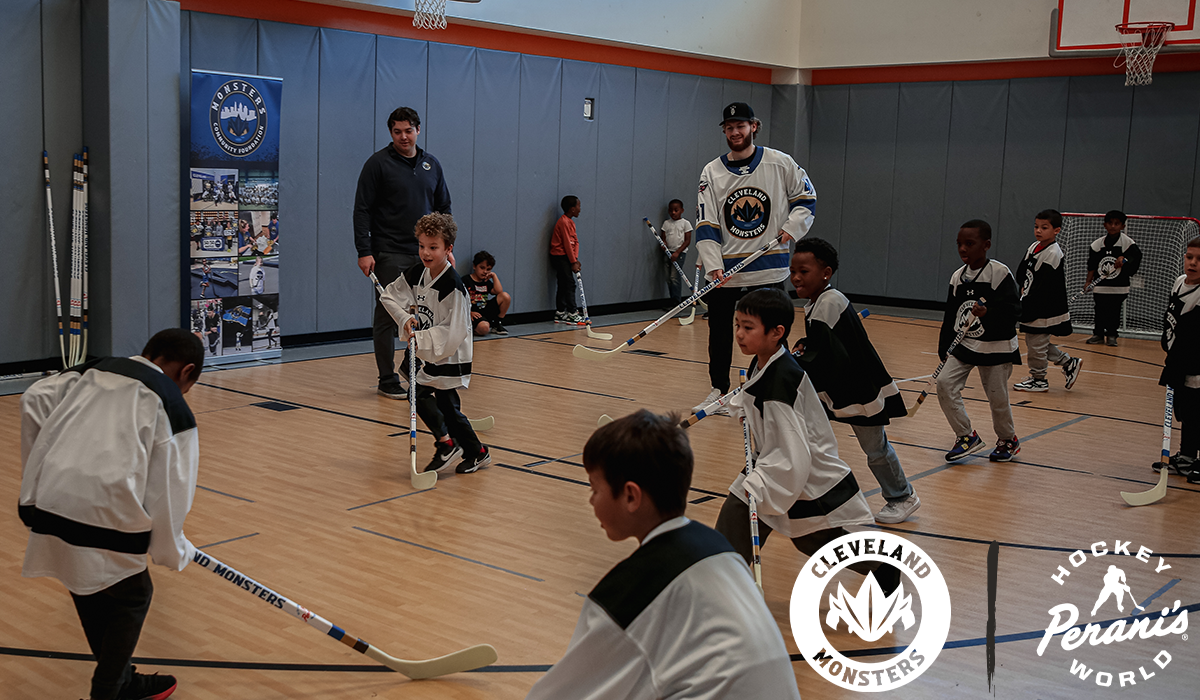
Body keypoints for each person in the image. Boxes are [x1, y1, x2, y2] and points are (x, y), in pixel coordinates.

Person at [526, 409, 801, 700]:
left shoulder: (634, 591)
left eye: (595, 489)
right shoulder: (721, 550)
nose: (591, 500)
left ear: (631, 496)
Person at [19, 328, 204, 700]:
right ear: (186, 372)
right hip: (103, 512)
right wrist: (172, 549)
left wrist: (44, 465)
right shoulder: (170, 402)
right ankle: (109, 692)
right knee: (133, 595)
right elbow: (171, 490)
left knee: (87, 584)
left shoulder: (94, 369)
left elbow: (33, 398)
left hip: (51, 500)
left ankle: (122, 681)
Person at [711, 288, 901, 595]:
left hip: (798, 472)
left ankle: (880, 565)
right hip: (775, 467)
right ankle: (723, 592)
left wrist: (760, 483)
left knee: (806, 536)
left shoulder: (781, 381)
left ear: (777, 332)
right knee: (796, 533)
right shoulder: (765, 363)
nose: (739, 334)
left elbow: (792, 452)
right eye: (737, 325)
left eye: (748, 327)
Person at [693, 102, 817, 416]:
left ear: (754, 126)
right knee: (720, 334)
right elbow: (706, 223)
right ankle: (719, 392)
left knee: (774, 333)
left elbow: (806, 199)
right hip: (728, 271)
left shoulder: (780, 162)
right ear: (724, 131)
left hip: (768, 269)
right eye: (729, 128)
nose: (735, 132)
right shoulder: (712, 171)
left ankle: (780, 389)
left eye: (741, 126)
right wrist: (713, 264)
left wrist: (792, 228)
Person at [789, 239, 919, 523]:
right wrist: (805, 346)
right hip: (837, 389)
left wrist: (791, 362)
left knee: (875, 448)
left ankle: (902, 496)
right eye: (793, 270)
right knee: (810, 438)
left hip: (859, 391)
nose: (796, 277)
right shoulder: (819, 302)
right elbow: (823, 345)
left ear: (826, 273)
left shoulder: (828, 303)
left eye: (804, 271)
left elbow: (825, 356)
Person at [380, 213, 490, 475]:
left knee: (429, 399)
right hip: (430, 352)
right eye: (421, 246)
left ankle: (453, 445)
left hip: (450, 355)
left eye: (433, 247)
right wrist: (406, 318)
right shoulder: (418, 273)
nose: (426, 253)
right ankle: (466, 449)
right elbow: (388, 296)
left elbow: (454, 333)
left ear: (448, 249)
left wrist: (420, 339)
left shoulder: (453, 286)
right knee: (442, 405)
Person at [354, 106, 452, 399]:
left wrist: (446, 249)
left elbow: (444, 209)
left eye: (408, 131)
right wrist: (364, 250)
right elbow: (362, 210)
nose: (403, 137)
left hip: (425, 254)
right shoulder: (377, 164)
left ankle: (411, 370)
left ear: (418, 130)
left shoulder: (431, 165)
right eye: (397, 131)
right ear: (391, 133)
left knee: (427, 314)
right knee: (387, 315)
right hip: (388, 253)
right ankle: (386, 379)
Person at [937, 220, 1022, 463]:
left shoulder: (999, 273)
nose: (963, 249)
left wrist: (989, 313)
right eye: (959, 244)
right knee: (944, 384)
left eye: (969, 244)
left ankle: (1008, 439)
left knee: (997, 398)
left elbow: (1015, 311)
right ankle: (966, 436)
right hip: (965, 345)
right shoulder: (957, 277)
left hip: (996, 348)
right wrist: (944, 346)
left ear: (986, 245)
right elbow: (950, 315)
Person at [1013, 209, 1082, 393]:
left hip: (1043, 308)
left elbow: (1043, 286)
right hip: (1030, 302)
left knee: (1036, 343)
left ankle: (1039, 379)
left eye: (1044, 227)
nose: (1038, 231)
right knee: (1036, 342)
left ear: (1056, 230)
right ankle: (1068, 362)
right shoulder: (1034, 246)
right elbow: (1022, 272)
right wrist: (1021, 290)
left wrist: (1028, 305)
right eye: (1036, 226)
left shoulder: (1053, 253)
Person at [1157, 236, 1200, 480]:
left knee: (1197, 413)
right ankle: (1186, 455)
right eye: (1189, 257)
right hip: (1179, 361)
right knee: (1184, 411)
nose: (1192, 263)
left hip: (1196, 364)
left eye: (1199, 259)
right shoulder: (1180, 282)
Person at [1085, 210, 1142, 346]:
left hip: (1119, 286)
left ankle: (1112, 334)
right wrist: (1088, 281)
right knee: (1099, 310)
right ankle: (1098, 334)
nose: (1113, 226)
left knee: (1114, 311)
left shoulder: (1128, 244)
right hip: (1101, 286)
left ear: (1123, 226)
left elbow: (1136, 258)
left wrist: (1125, 259)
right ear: (1105, 225)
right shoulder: (1097, 245)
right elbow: (1092, 265)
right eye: (1110, 223)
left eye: (1117, 224)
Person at [550, 195, 584, 325]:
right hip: (559, 256)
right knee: (570, 284)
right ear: (572, 209)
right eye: (578, 206)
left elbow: (575, 241)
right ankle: (572, 313)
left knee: (564, 284)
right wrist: (572, 262)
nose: (580, 209)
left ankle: (560, 312)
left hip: (567, 257)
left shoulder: (571, 222)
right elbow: (566, 244)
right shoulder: (563, 222)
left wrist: (575, 259)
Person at [465, 250, 511, 336]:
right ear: (474, 266)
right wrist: (468, 312)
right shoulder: (466, 280)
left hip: (485, 310)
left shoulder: (486, 282)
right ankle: (473, 328)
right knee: (484, 329)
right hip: (473, 314)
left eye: (488, 269)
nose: (485, 271)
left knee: (505, 296)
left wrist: (494, 276)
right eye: (482, 268)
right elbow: (459, 299)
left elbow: (498, 291)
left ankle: (497, 323)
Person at [661, 199, 693, 307]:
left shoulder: (685, 223)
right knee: (668, 278)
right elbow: (663, 238)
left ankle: (676, 302)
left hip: (679, 254)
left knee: (675, 278)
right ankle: (672, 299)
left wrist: (677, 252)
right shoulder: (666, 223)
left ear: (682, 210)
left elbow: (687, 241)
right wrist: (663, 244)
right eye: (671, 210)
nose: (673, 213)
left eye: (676, 210)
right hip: (668, 253)